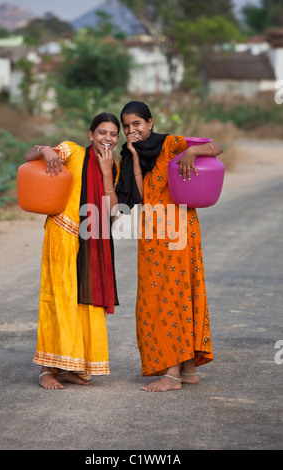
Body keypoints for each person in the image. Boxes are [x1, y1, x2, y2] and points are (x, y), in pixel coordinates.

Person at [116, 101, 223, 392]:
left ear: (150, 123)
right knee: (157, 297)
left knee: (173, 295)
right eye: (126, 126)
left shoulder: (171, 144)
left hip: (180, 229)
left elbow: (215, 147)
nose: (131, 130)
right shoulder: (131, 154)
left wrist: (192, 151)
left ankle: (172, 375)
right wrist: (135, 159)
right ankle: (187, 369)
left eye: (136, 124)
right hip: (152, 230)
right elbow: (136, 195)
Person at [25, 113, 121, 390]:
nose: (108, 138)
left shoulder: (114, 165)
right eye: (102, 132)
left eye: (113, 134)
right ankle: (46, 370)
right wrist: (43, 149)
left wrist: (105, 172)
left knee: (85, 304)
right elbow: (29, 155)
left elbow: (113, 209)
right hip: (63, 235)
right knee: (58, 300)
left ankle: (69, 368)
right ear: (90, 135)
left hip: (94, 239)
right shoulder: (72, 151)